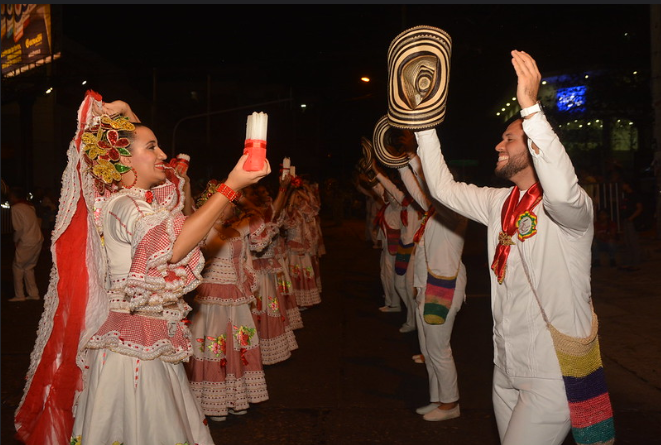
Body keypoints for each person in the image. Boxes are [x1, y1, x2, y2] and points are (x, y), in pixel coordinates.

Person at [14, 91, 270, 445]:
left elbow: (170, 210)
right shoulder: (125, 206)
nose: (163, 154)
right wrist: (231, 186)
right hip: (129, 349)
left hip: (142, 338)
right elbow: (177, 246)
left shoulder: (125, 202)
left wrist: (127, 115)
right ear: (124, 162)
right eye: (152, 147)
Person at [415, 51, 599, 444]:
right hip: (506, 363)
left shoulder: (571, 210)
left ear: (534, 148)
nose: (498, 145)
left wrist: (531, 109)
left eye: (509, 139)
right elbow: (443, 189)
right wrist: (424, 126)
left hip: (553, 369)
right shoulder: (499, 203)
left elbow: (562, 192)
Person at [185, 180, 271, 421]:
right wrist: (189, 183)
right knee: (215, 346)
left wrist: (241, 197)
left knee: (238, 345)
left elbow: (258, 215)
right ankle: (214, 404)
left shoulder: (235, 229)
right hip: (211, 300)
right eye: (230, 204)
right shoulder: (203, 229)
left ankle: (236, 398)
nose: (233, 207)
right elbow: (186, 214)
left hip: (236, 297)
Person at [398, 153, 468, 421]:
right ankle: (438, 399)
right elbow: (418, 191)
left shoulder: (455, 212)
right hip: (427, 286)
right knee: (428, 350)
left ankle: (451, 405)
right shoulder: (435, 213)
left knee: (439, 350)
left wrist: (417, 164)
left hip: (444, 288)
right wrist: (402, 166)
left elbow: (428, 189)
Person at [8, 186, 44, 302]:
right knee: (29, 267)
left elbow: (18, 228)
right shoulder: (30, 206)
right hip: (37, 238)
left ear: (14, 197)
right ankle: (33, 293)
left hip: (27, 240)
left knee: (18, 267)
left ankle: (20, 295)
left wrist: (15, 241)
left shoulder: (16, 208)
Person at [618, 180, 643, 271]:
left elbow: (639, 208)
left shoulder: (634, 195)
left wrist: (631, 218)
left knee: (633, 242)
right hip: (627, 219)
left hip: (632, 221)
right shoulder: (626, 196)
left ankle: (636, 263)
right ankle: (629, 262)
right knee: (627, 241)